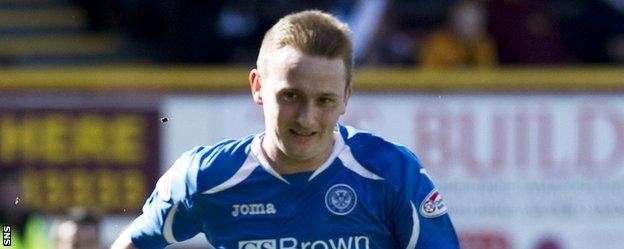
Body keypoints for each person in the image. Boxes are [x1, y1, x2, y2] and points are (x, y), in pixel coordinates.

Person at [111, 10, 459, 249]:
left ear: (346, 98)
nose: (307, 118)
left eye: (324, 100)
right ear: (257, 87)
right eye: (291, 96)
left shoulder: (392, 173)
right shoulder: (206, 177)